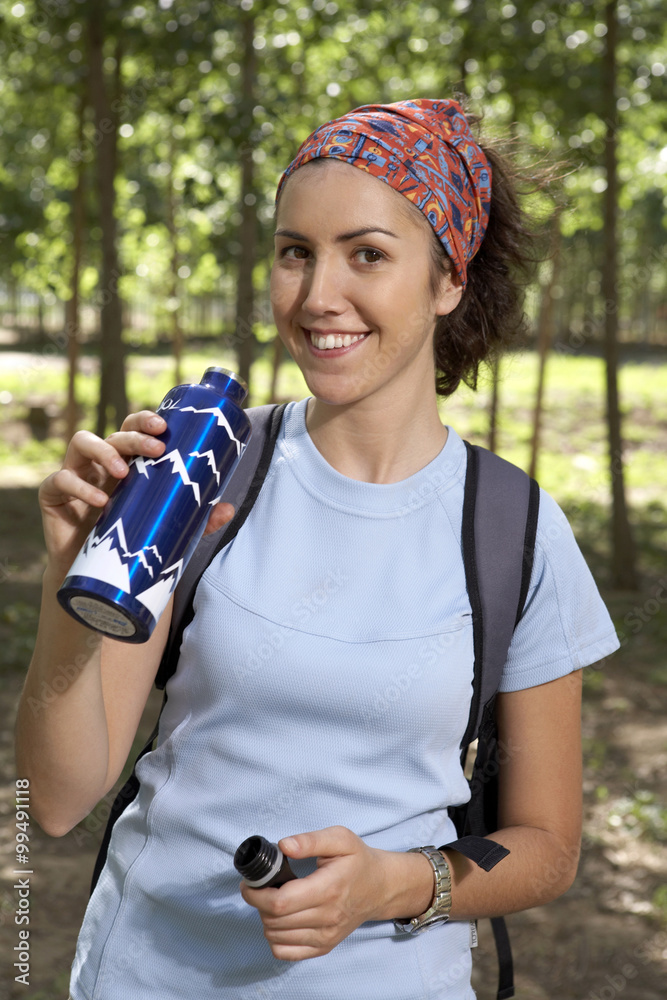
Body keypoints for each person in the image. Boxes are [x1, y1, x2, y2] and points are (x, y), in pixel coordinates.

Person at [16, 99, 620, 1000]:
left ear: (447, 278)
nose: (316, 296)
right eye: (295, 251)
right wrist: (73, 593)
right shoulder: (201, 472)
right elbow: (58, 800)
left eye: (366, 254)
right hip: (148, 975)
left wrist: (398, 882)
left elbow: (546, 846)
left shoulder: (514, 528)